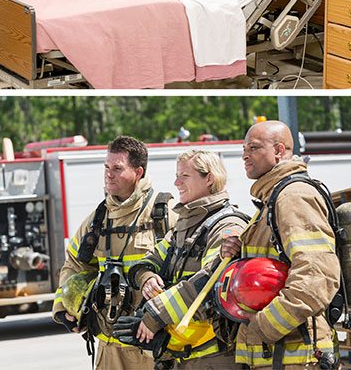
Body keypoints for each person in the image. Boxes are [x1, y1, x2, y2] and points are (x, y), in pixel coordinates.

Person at [218, 121, 339, 369]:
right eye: (244, 148)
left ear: (279, 151)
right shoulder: (271, 199)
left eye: (254, 147)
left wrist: (264, 325)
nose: (245, 155)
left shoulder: (293, 196)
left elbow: (317, 276)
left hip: (294, 354)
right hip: (274, 355)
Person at [53, 135, 171, 369]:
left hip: (153, 344)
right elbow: (75, 264)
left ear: (138, 173)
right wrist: (63, 308)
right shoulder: (97, 219)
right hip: (110, 347)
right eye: (106, 167)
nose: (108, 174)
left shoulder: (164, 214)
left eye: (117, 168)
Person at [120, 150, 247, 368]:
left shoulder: (227, 226)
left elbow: (209, 284)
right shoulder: (185, 225)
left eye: (184, 176)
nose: (176, 182)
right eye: (177, 175)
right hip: (183, 355)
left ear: (209, 178)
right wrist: (147, 278)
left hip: (213, 359)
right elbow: (147, 261)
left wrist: (155, 316)